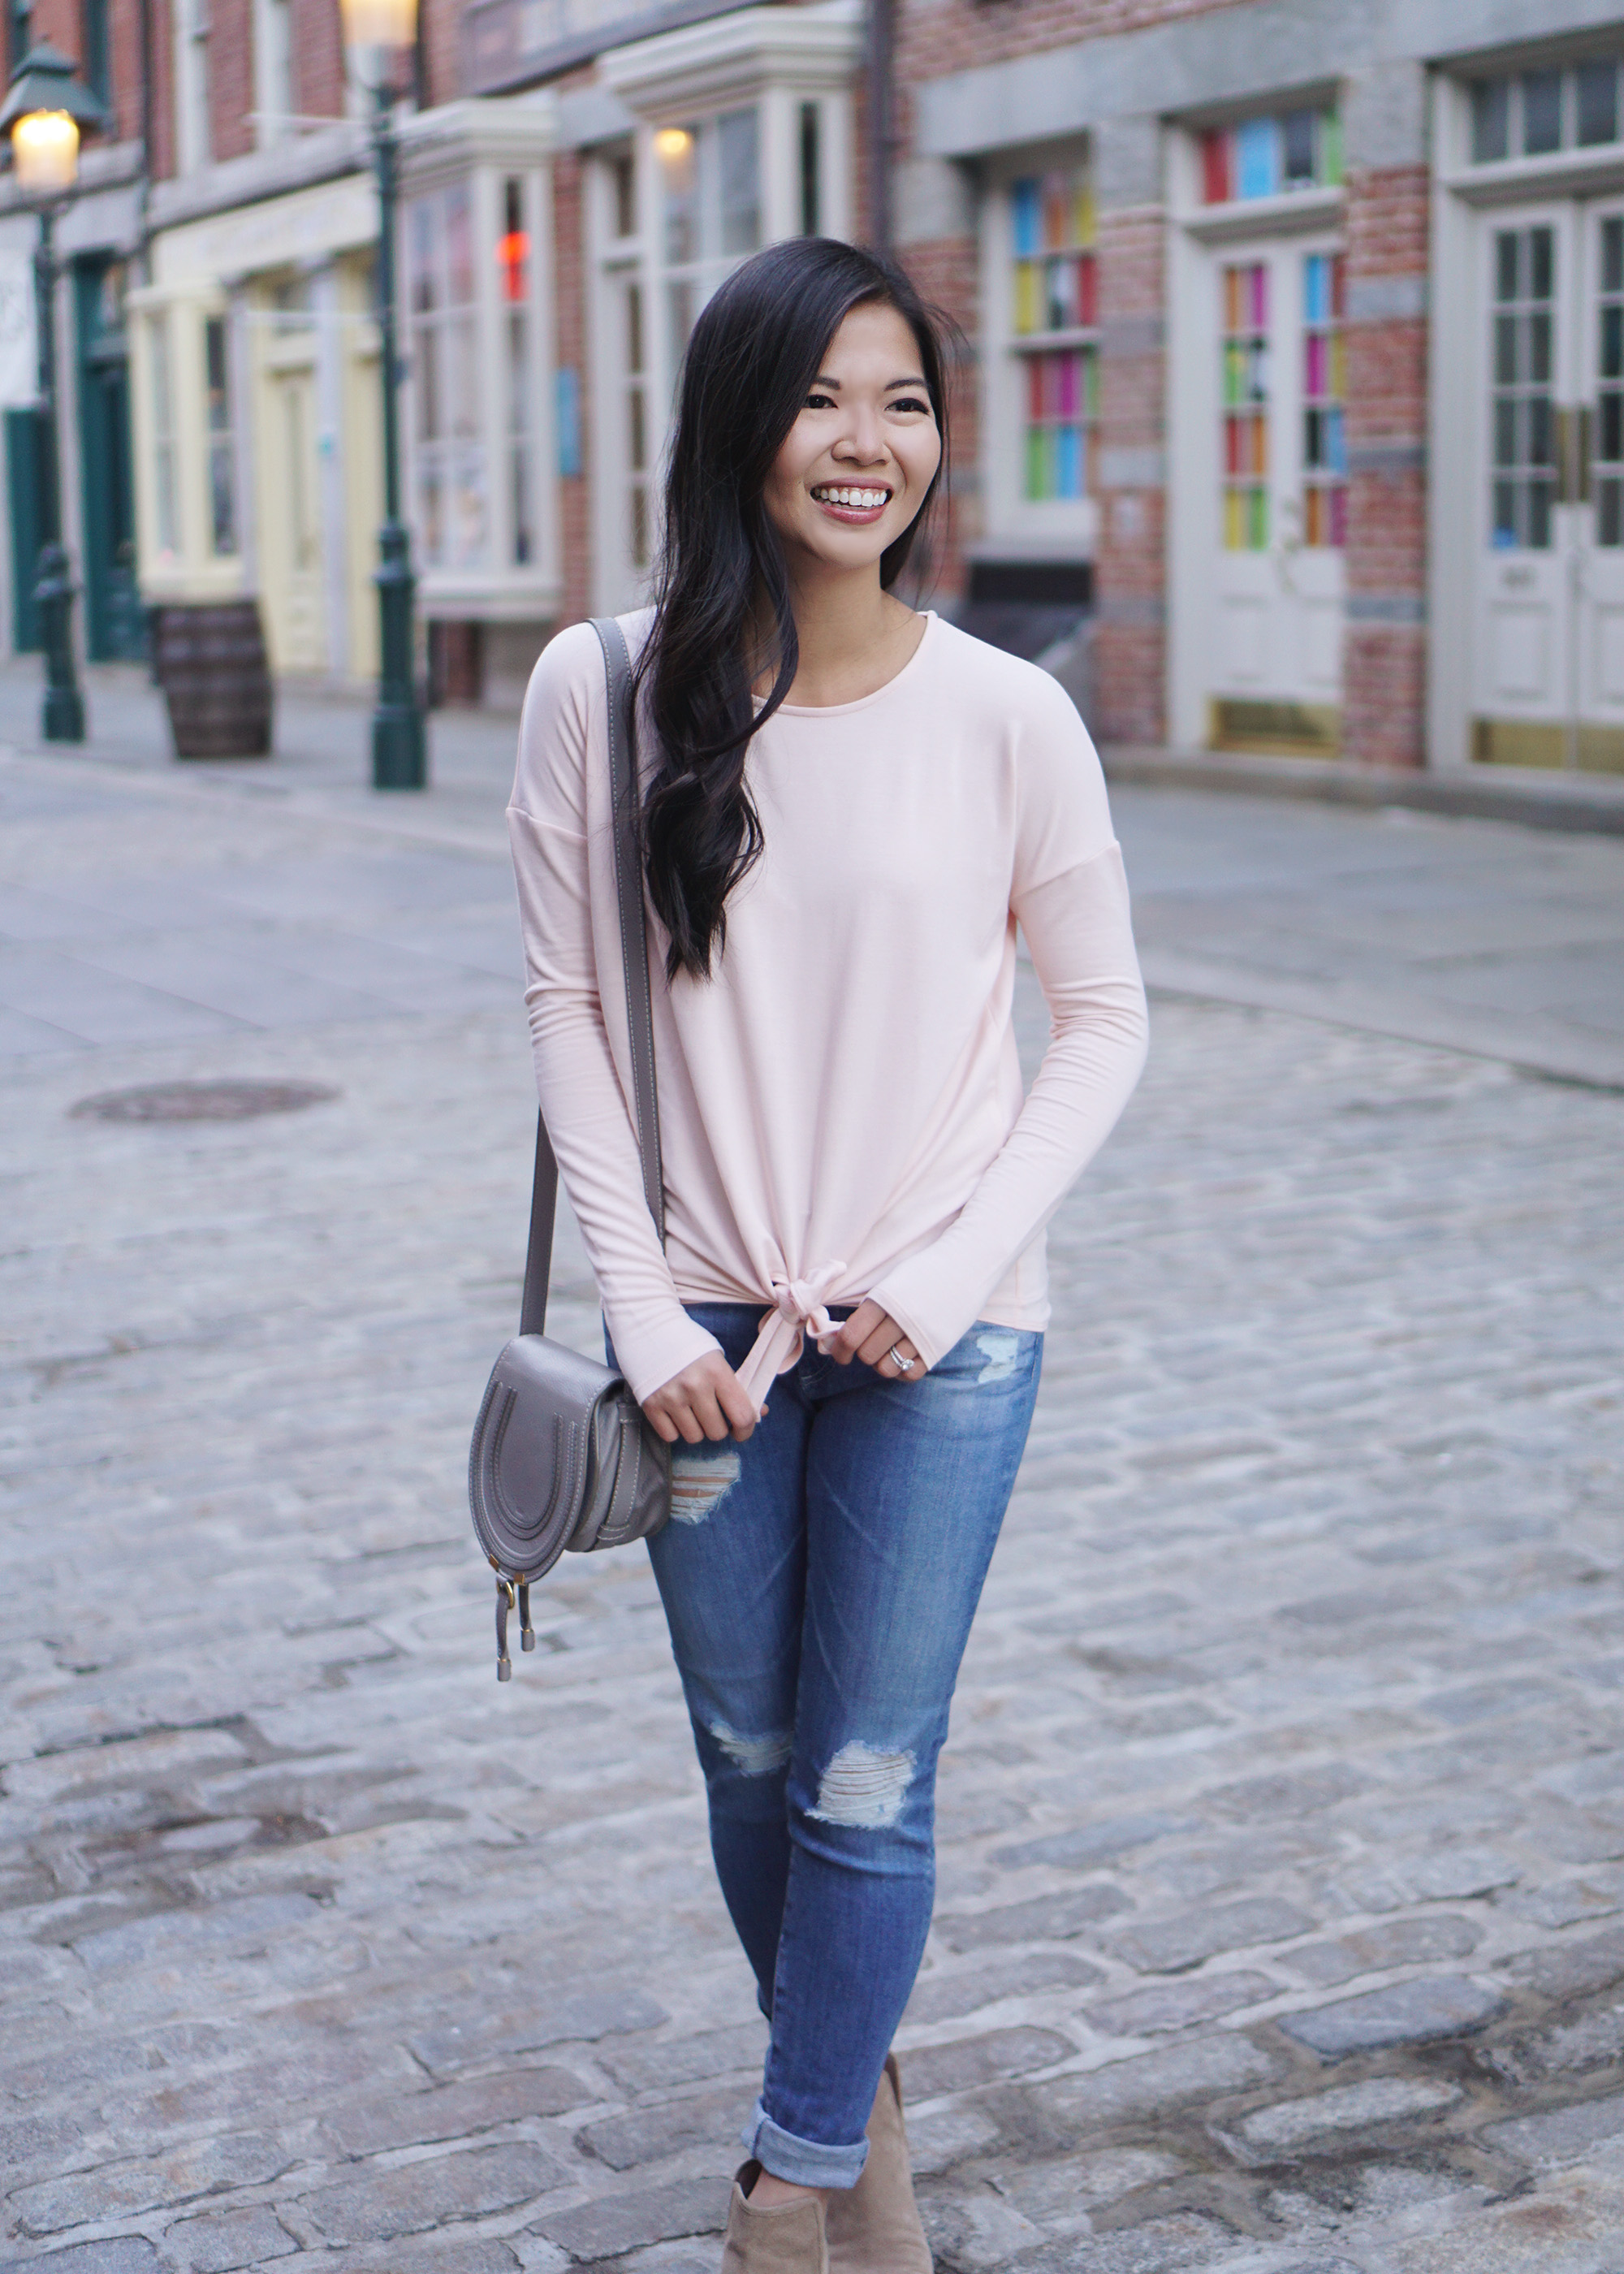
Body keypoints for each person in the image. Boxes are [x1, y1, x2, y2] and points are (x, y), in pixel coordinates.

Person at [508, 236, 1148, 2274]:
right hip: (701, 1329)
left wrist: (946, 1280)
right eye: (817, 399)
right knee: (752, 1756)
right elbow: (569, 1011)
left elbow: (1104, 1023)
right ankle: (859, 2125)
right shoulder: (602, 688)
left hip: (942, 1338)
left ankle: (782, 2195)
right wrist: (638, 1315)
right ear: (738, 424)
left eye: (903, 402)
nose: (866, 443)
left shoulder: (1009, 715)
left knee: (867, 1777)